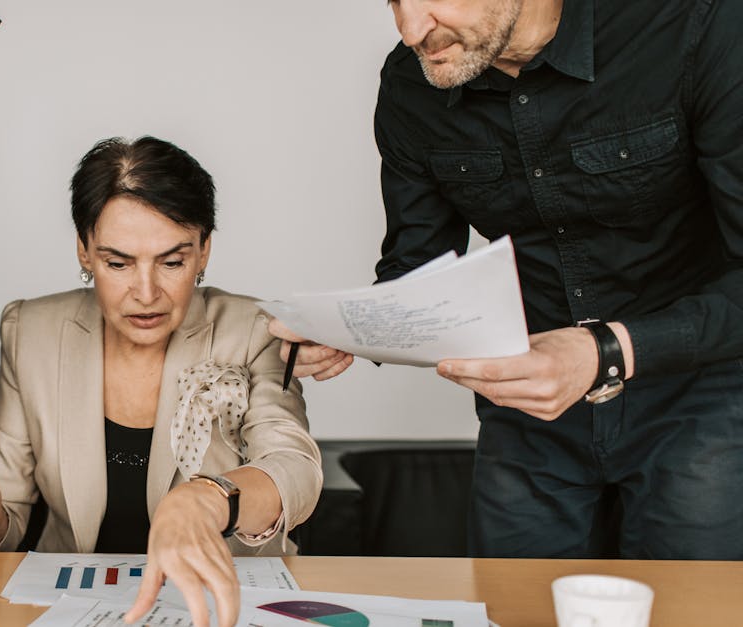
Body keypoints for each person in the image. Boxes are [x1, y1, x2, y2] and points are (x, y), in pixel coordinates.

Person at [272, 0, 743, 560]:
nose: (410, 29)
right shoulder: (409, 84)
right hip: (527, 416)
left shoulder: (696, 29)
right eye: (395, 0)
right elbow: (418, 266)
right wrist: (349, 328)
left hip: (698, 397)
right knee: (516, 612)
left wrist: (605, 352)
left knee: (690, 612)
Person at [0, 136, 323, 627]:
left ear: (204, 250)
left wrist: (210, 498)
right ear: (84, 250)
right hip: (68, 610)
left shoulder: (256, 329)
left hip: (224, 607)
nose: (146, 293)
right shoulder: (31, 331)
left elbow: (295, 467)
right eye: (118, 263)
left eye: (172, 262)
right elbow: (7, 525)